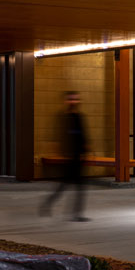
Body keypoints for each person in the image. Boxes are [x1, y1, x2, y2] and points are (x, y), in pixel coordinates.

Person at [40, 91, 88, 221]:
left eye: (75, 99)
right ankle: (71, 212)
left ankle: (74, 213)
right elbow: (59, 136)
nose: (73, 102)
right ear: (66, 101)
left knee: (75, 186)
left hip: (78, 156)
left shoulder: (79, 116)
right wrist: (60, 153)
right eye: (71, 99)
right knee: (68, 186)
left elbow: (83, 135)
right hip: (69, 157)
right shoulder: (63, 117)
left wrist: (86, 149)